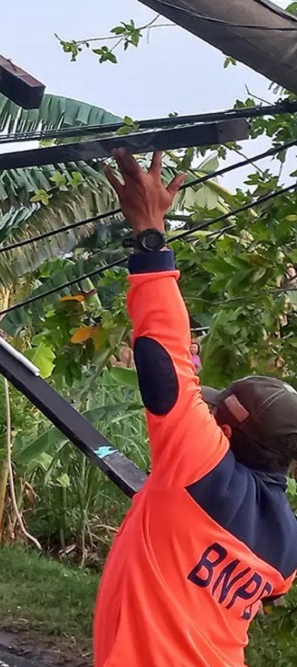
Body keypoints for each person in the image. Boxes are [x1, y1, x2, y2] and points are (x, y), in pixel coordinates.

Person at [93, 149, 297, 666]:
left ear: (224, 437)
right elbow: (265, 590)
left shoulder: (200, 465)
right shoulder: (287, 548)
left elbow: (162, 357)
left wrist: (150, 232)